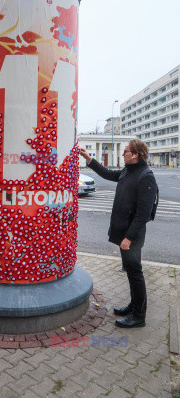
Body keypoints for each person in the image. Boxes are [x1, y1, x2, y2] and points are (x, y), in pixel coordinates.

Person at [79, 139, 157, 328]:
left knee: (135, 272)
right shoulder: (128, 171)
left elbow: (143, 214)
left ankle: (139, 316)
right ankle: (134, 306)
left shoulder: (145, 176)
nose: (123, 154)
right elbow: (107, 173)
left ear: (135, 155)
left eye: (126, 152)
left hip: (132, 235)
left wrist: (129, 238)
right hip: (124, 233)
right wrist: (89, 159)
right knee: (131, 272)